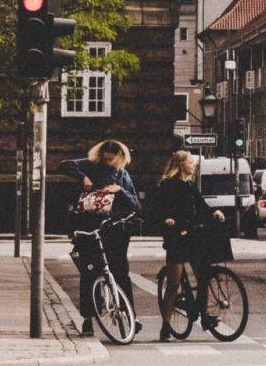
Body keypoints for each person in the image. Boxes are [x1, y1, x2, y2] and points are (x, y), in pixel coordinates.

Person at [60, 140, 140, 334]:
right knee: (89, 272)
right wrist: (83, 177)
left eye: (111, 160)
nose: (108, 163)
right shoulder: (90, 165)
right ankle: (88, 318)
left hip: (115, 227)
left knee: (121, 272)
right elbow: (64, 164)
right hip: (90, 226)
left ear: (120, 158)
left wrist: (119, 190)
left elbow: (134, 202)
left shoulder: (123, 175)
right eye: (105, 159)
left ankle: (130, 315)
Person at [144, 151, 224, 340]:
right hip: (176, 236)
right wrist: (166, 219)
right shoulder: (168, 185)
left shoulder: (190, 185)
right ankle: (165, 326)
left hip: (193, 235)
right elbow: (157, 209)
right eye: (191, 162)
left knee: (204, 275)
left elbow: (201, 206)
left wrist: (213, 212)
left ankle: (203, 315)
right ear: (181, 165)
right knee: (173, 283)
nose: (194, 165)